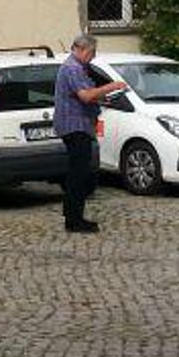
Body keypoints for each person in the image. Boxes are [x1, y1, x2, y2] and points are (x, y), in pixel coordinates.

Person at [54, 34, 129, 234]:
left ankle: (72, 216)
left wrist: (103, 98)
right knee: (79, 173)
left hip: (79, 125)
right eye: (91, 52)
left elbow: (85, 95)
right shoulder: (73, 68)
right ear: (80, 49)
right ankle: (74, 220)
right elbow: (86, 96)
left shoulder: (78, 67)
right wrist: (111, 87)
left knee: (79, 172)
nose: (93, 56)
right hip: (75, 126)